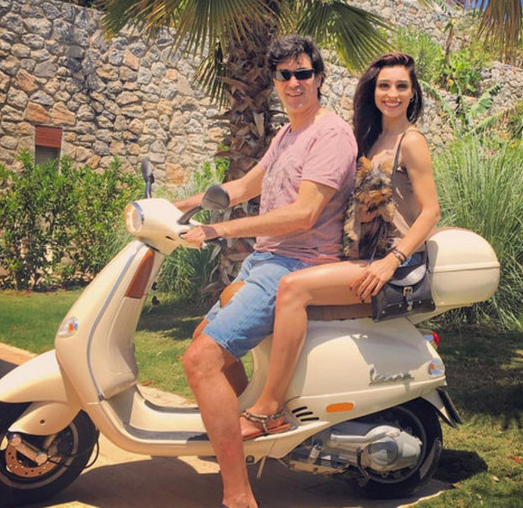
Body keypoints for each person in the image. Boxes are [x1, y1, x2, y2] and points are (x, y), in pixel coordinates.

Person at [176, 34, 357, 508]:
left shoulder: (330, 135)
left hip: (297, 263)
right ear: (274, 81)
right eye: (284, 75)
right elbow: (241, 187)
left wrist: (217, 230)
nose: (294, 83)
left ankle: (238, 496)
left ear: (319, 78)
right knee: (202, 341)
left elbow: (304, 214)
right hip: (265, 261)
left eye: (303, 74)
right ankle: (244, 430)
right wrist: (179, 206)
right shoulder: (287, 134)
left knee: (201, 360)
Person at [239, 52, 440, 441]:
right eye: (384, 86)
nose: (392, 94)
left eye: (401, 86)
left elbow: (430, 211)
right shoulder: (369, 138)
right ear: (373, 91)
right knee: (263, 292)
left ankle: (269, 410)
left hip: (392, 266)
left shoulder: (411, 141)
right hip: (362, 258)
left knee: (292, 288)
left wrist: (391, 261)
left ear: (413, 93)